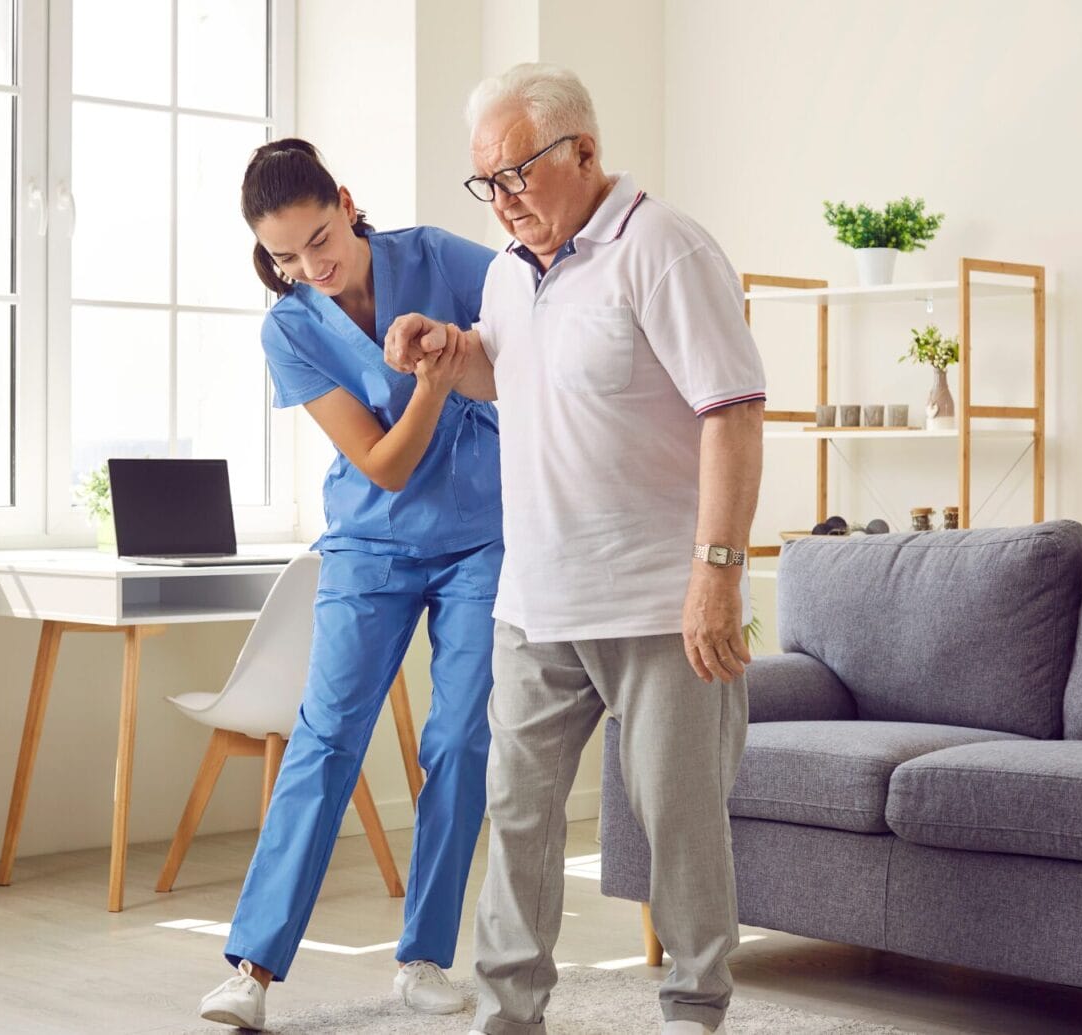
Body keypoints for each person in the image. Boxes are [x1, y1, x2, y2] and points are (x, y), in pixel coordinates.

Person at [385, 65, 765, 1035]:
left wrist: (716, 576)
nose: (502, 203)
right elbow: (506, 369)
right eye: (486, 185)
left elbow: (733, 415)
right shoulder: (512, 272)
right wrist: (447, 349)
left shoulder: (665, 249)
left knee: (678, 825)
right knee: (514, 817)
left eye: (515, 176)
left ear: (582, 153)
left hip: (659, 604)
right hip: (536, 599)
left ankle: (693, 1011)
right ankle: (508, 1016)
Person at [198, 138, 503, 1031]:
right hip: (371, 543)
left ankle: (424, 957)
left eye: (320, 239)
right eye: (286, 256)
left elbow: (538, 304)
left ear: (346, 200)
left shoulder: (441, 257)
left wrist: (462, 353)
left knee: (456, 740)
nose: (312, 267)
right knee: (326, 739)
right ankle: (251, 968)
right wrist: (436, 388)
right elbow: (382, 462)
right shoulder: (290, 326)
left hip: (482, 538)